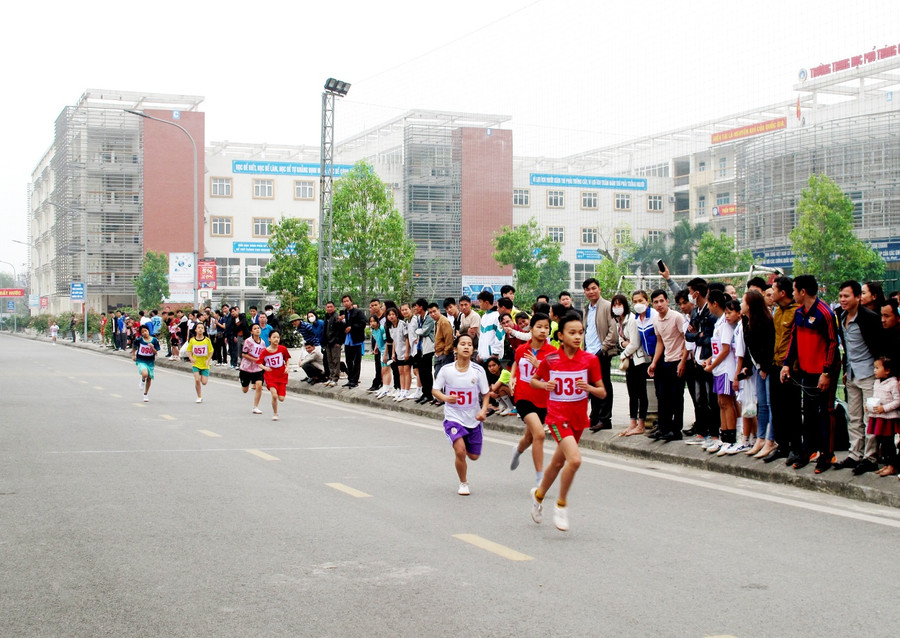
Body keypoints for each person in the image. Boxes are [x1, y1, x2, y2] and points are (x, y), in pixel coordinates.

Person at [528, 312, 605, 532]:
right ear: (560, 335)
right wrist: (545, 386)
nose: (577, 336)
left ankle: (538, 495)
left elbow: (602, 392)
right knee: (575, 460)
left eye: (580, 332)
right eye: (572, 333)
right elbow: (534, 381)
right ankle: (561, 504)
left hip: (578, 419)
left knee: (558, 463)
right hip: (557, 417)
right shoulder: (551, 360)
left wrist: (589, 388)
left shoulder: (590, 360)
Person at [780, 274, 840, 473]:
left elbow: (833, 344)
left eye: (795, 290)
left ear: (803, 292)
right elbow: (794, 341)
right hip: (806, 371)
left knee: (826, 412)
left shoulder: (825, 313)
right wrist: (787, 364)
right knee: (810, 412)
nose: (793, 293)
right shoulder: (799, 313)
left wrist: (827, 372)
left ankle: (827, 453)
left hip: (823, 372)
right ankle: (809, 450)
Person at [833, 280, 884, 474]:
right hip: (852, 373)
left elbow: (878, 346)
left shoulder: (869, 318)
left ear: (857, 297)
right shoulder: (841, 316)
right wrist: (847, 369)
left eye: (846, 296)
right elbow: (847, 346)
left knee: (869, 417)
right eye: (840, 296)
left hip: (869, 374)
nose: (843, 300)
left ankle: (870, 457)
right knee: (853, 417)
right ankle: (854, 454)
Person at [432, 334, 491, 496]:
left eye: (470, 344)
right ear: (455, 349)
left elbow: (486, 394)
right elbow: (435, 390)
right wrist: (445, 398)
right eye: (463, 344)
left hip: (473, 419)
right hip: (453, 418)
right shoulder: (446, 370)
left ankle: (470, 438)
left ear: (473, 349)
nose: (466, 347)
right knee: (460, 451)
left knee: (473, 456)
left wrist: (483, 410)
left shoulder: (478, 371)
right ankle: (463, 483)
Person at [509, 312, 555, 486]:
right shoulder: (522, 349)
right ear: (531, 328)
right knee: (540, 434)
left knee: (529, 438)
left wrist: (539, 366)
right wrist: (513, 378)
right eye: (539, 327)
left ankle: (518, 450)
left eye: (546, 328)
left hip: (543, 398)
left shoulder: (552, 352)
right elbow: (516, 363)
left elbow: (556, 376)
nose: (543, 331)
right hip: (523, 396)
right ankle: (540, 477)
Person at [647, 289, 689, 442]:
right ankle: (663, 428)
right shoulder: (656, 319)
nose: (659, 305)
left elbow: (687, 340)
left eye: (661, 301)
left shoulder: (677, 317)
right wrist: (654, 362)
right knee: (662, 396)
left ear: (667, 301)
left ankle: (676, 430)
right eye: (656, 302)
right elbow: (660, 341)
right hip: (665, 360)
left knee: (676, 397)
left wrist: (683, 361)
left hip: (678, 360)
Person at [701, 291, 738, 454]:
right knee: (721, 403)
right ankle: (724, 437)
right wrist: (710, 359)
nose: (707, 306)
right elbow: (718, 350)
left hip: (726, 369)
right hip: (718, 368)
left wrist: (711, 365)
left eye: (708, 303)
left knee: (727, 402)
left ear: (714, 303)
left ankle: (730, 438)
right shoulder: (719, 322)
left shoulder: (726, 323)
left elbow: (725, 350)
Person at [742, 290, 776, 458]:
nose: (741, 305)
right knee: (761, 404)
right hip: (756, 367)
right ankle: (761, 438)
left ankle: (771, 439)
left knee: (770, 404)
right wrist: (749, 366)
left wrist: (764, 367)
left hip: (766, 367)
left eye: (743, 302)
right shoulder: (746, 321)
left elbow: (769, 346)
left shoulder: (765, 321)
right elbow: (749, 349)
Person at [582, 277, 618, 432]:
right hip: (588, 354)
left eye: (593, 288)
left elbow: (613, 331)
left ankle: (605, 419)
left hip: (602, 353)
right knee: (591, 387)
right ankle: (594, 417)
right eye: (588, 289)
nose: (591, 291)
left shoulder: (607, 306)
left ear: (599, 289)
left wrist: (602, 349)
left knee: (604, 386)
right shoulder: (586, 309)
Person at [620, 291, 655, 436]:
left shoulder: (650, 317)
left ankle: (641, 424)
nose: (637, 304)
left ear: (647, 301)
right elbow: (622, 341)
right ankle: (632, 423)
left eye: (640, 300)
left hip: (642, 360)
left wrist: (624, 352)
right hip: (632, 360)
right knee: (632, 393)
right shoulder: (629, 319)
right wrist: (624, 345)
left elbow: (634, 343)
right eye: (634, 301)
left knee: (642, 393)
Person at [868, 356, 900, 476]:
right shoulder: (876, 382)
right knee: (881, 441)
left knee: (889, 442)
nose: (874, 370)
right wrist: (869, 406)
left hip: (889, 418)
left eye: (877, 368)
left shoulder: (893, 383)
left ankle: (892, 466)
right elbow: (876, 398)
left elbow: (897, 401)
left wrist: (884, 408)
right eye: (874, 368)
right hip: (878, 417)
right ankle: (886, 464)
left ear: (887, 370)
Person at [257, 330, 290, 421]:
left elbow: (287, 358)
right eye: (274, 337)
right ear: (269, 339)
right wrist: (265, 368)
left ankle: (277, 406)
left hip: (282, 376)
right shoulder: (265, 352)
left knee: (281, 398)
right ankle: (275, 413)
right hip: (270, 376)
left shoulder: (283, 349)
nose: (276, 339)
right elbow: (259, 363)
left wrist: (287, 367)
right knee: (274, 395)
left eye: (278, 337)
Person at [412, 297, 436, 404]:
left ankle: (429, 394)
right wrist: (418, 331)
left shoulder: (429, 318)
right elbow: (418, 331)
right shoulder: (419, 318)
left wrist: (417, 331)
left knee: (427, 372)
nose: (415, 308)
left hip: (428, 349)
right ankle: (424, 393)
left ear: (421, 307)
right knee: (421, 372)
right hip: (420, 349)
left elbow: (424, 331)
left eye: (416, 306)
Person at [240, 323, 267, 414]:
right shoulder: (248, 341)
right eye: (255, 329)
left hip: (257, 368)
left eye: (258, 328)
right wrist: (255, 359)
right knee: (245, 390)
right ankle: (243, 382)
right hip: (246, 368)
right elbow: (244, 354)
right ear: (251, 331)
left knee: (259, 385)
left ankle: (255, 407)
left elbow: (263, 354)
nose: (257, 330)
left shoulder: (262, 342)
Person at [429, 302, 454, 403]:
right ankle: (440, 397)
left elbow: (449, 338)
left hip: (444, 353)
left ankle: (446, 398)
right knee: (437, 376)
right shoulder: (437, 322)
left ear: (439, 310)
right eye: (430, 312)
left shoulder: (444, 321)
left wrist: (446, 352)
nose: (433, 314)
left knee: (446, 378)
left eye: (434, 311)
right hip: (438, 353)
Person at [386, 306, 412, 401]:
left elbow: (407, 338)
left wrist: (406, 352)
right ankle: (402, 390)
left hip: (405, 351)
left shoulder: (402, 324)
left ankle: (406, 390)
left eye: (393, 314)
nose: (391, 316)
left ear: (397, 315)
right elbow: (394, 341)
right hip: (398, 351)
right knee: (400, 372)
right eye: (389, 315)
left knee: (406, 371)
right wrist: (393, 353)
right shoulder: (391, 327)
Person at [341, 294, 367, 389]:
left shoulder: (358, 312)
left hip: (356, 340)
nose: (346, 303)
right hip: (347, 341)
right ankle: (350, 379)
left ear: (351, 301)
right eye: (344, 301)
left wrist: (352, 328)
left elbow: (363, 323)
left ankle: (355, 380)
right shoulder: (344, 313)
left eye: (347, 301)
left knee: (357, 361)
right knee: (348, 361)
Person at [132, 324, 160, 402]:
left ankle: (145, 394)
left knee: (149, 378)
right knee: (145, 374)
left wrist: (152, 347)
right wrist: (133, 355)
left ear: (148, 331)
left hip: (150, 361)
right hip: (141, 360)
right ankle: (142, 380)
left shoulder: (154, 340)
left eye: (146, 331)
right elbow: (134, 346)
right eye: (142, 332)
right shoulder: (139, 340)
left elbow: (156, 352)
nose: (144, 333)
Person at [187, 321, 214, 403]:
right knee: (197, 380)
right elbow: (189, 350)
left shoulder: (207, 340)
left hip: (205, 364)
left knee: (204, 382)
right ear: (195, 330)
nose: (200, 329)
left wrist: (208, 359)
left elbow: (211, 351)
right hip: (195, 363)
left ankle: (200, 394)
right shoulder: (192, 340)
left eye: (202, 328)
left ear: (204, 330)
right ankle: (199, 396)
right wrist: (191, 357)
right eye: (198, 328)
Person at [476, 290, 504, 362]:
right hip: (483, 357)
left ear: (486, 302)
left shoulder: (497, 316)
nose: (479, 304)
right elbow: (482, 336)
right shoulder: (484, 317)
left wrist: (496, 353)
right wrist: (479, 352)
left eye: (480, 302)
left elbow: (500, 336)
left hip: (493, 358)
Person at [323, 301, 343, 387]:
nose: (329, 308)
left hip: (335, 343)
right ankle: (331, 377)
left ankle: (335, 378)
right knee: (329, 361)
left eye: (331, 307)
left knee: (336, 361)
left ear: (334, 307)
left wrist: (338, 342)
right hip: (328, 342)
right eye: (328, 307)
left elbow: (340, 330)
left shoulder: (336, 317)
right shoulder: (327, 317)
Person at [366, 299, 384, 393]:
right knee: (377, 364)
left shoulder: (384, 317)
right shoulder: (373, 318)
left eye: (375, 305)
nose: (374, 307)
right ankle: (377, 382)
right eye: (371, 305)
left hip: (384, 346)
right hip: (376, 345)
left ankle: (383, 384)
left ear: (380, 305)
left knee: (384, 366)